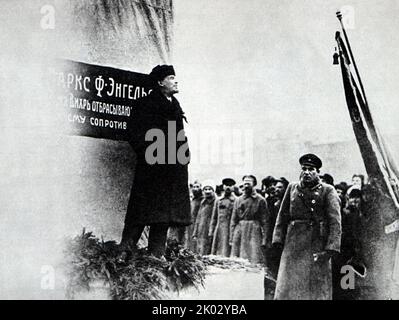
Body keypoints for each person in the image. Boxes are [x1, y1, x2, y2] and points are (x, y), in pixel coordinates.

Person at [121, 65, 191, 257]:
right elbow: (134, 134)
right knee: (140, 214)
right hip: (151, 170)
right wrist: (148, 154)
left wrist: (184, 157)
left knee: (162, 218)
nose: (176, 81)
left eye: (175, 77)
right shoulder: (145, 104)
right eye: (171, 78)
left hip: (171, 171)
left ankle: (155, 260)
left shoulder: (174, 105)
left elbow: (179, 136)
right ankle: (123, 256)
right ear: (160, 82)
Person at [272, 153, 342, 300]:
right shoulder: (292, 188)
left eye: (311, 169)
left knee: (314, 289)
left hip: (315, 245)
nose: (307, 172)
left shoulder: (327, 190)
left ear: (318, 172)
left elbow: (335, 222)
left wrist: (330, 249)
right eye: (304, 168)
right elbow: (282, 216)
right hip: (292, 245)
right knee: (288, 286)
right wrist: (277, 240)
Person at [230, 175, 270, 264]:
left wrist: (265, 239)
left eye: (249, 183)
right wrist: (231, 237)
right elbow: (233, 220)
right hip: (240, 231)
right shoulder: (238, 200)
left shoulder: (260, 200)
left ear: (254, 184)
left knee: (254, 257)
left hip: (254, 231)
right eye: (245, 183)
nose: (246, 186)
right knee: (237, 259)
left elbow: (265, 221)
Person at [209, 178, 236, 257]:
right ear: (223, 186)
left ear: (233, 187)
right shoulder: (218, 201)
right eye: (226, 185)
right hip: (219, 228)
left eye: (230, 185)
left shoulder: (236, 200)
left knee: (227, 250)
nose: (228, 187)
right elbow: (214, 217)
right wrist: (211, 231)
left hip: (230, 228)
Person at [192, 181, 216, 255]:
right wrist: (195, 232)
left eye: (210, 189)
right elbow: (198, 218)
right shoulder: (203, 202)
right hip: (201, 230)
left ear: (213, 191)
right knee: (199, 249)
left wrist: (211, 231)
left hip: (209, 229)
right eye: (205, 189)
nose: (207, 191)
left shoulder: (215, 202)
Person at [185, 180, 203, 252]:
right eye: (194, 187)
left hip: (198, 222)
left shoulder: (202, 200)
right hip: (191, 222)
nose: (195, 189)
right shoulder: (193, 200)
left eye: (197, 187)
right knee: (189, 239)